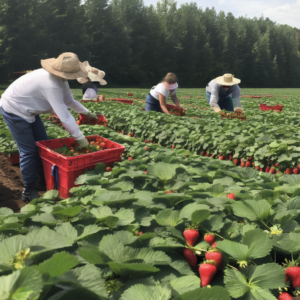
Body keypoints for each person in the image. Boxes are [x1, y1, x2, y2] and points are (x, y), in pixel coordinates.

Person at [0, 52, 98, 202]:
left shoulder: (61, 80)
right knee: (28, 151)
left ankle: (41, 180)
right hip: (14, 109)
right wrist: (81, 139)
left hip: (30, 110)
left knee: (43, 145)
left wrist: (87, 113)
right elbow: (64, 115)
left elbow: (70, 101)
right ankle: (29, 190)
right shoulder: (50, 85)